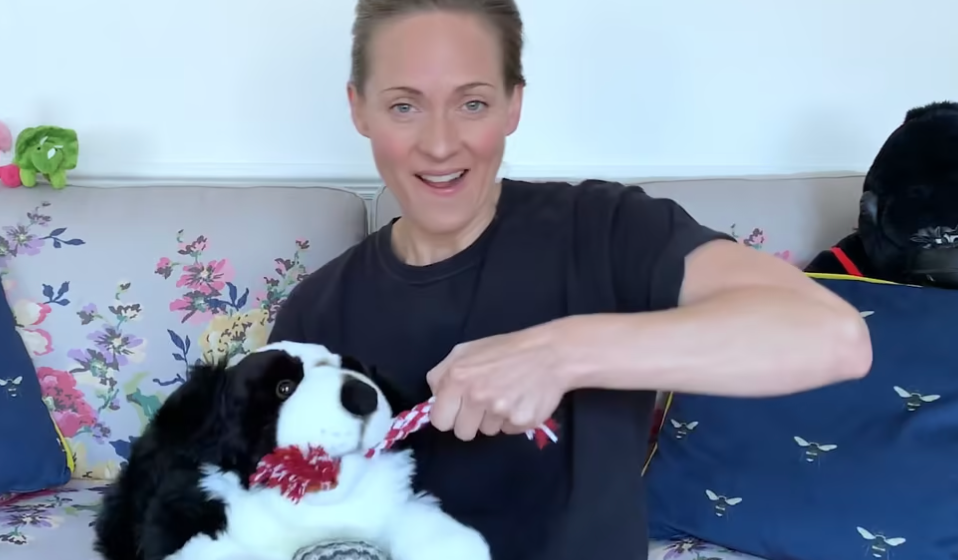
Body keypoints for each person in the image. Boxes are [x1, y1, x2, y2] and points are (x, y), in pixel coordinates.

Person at [267, 1, 874, 559]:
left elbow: (833, 337)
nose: (440, 142)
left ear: (513, 105)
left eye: (472, 102)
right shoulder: (313, 315)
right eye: (405, 105)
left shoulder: (605, 229)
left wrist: (559, 354)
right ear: (358, 108)